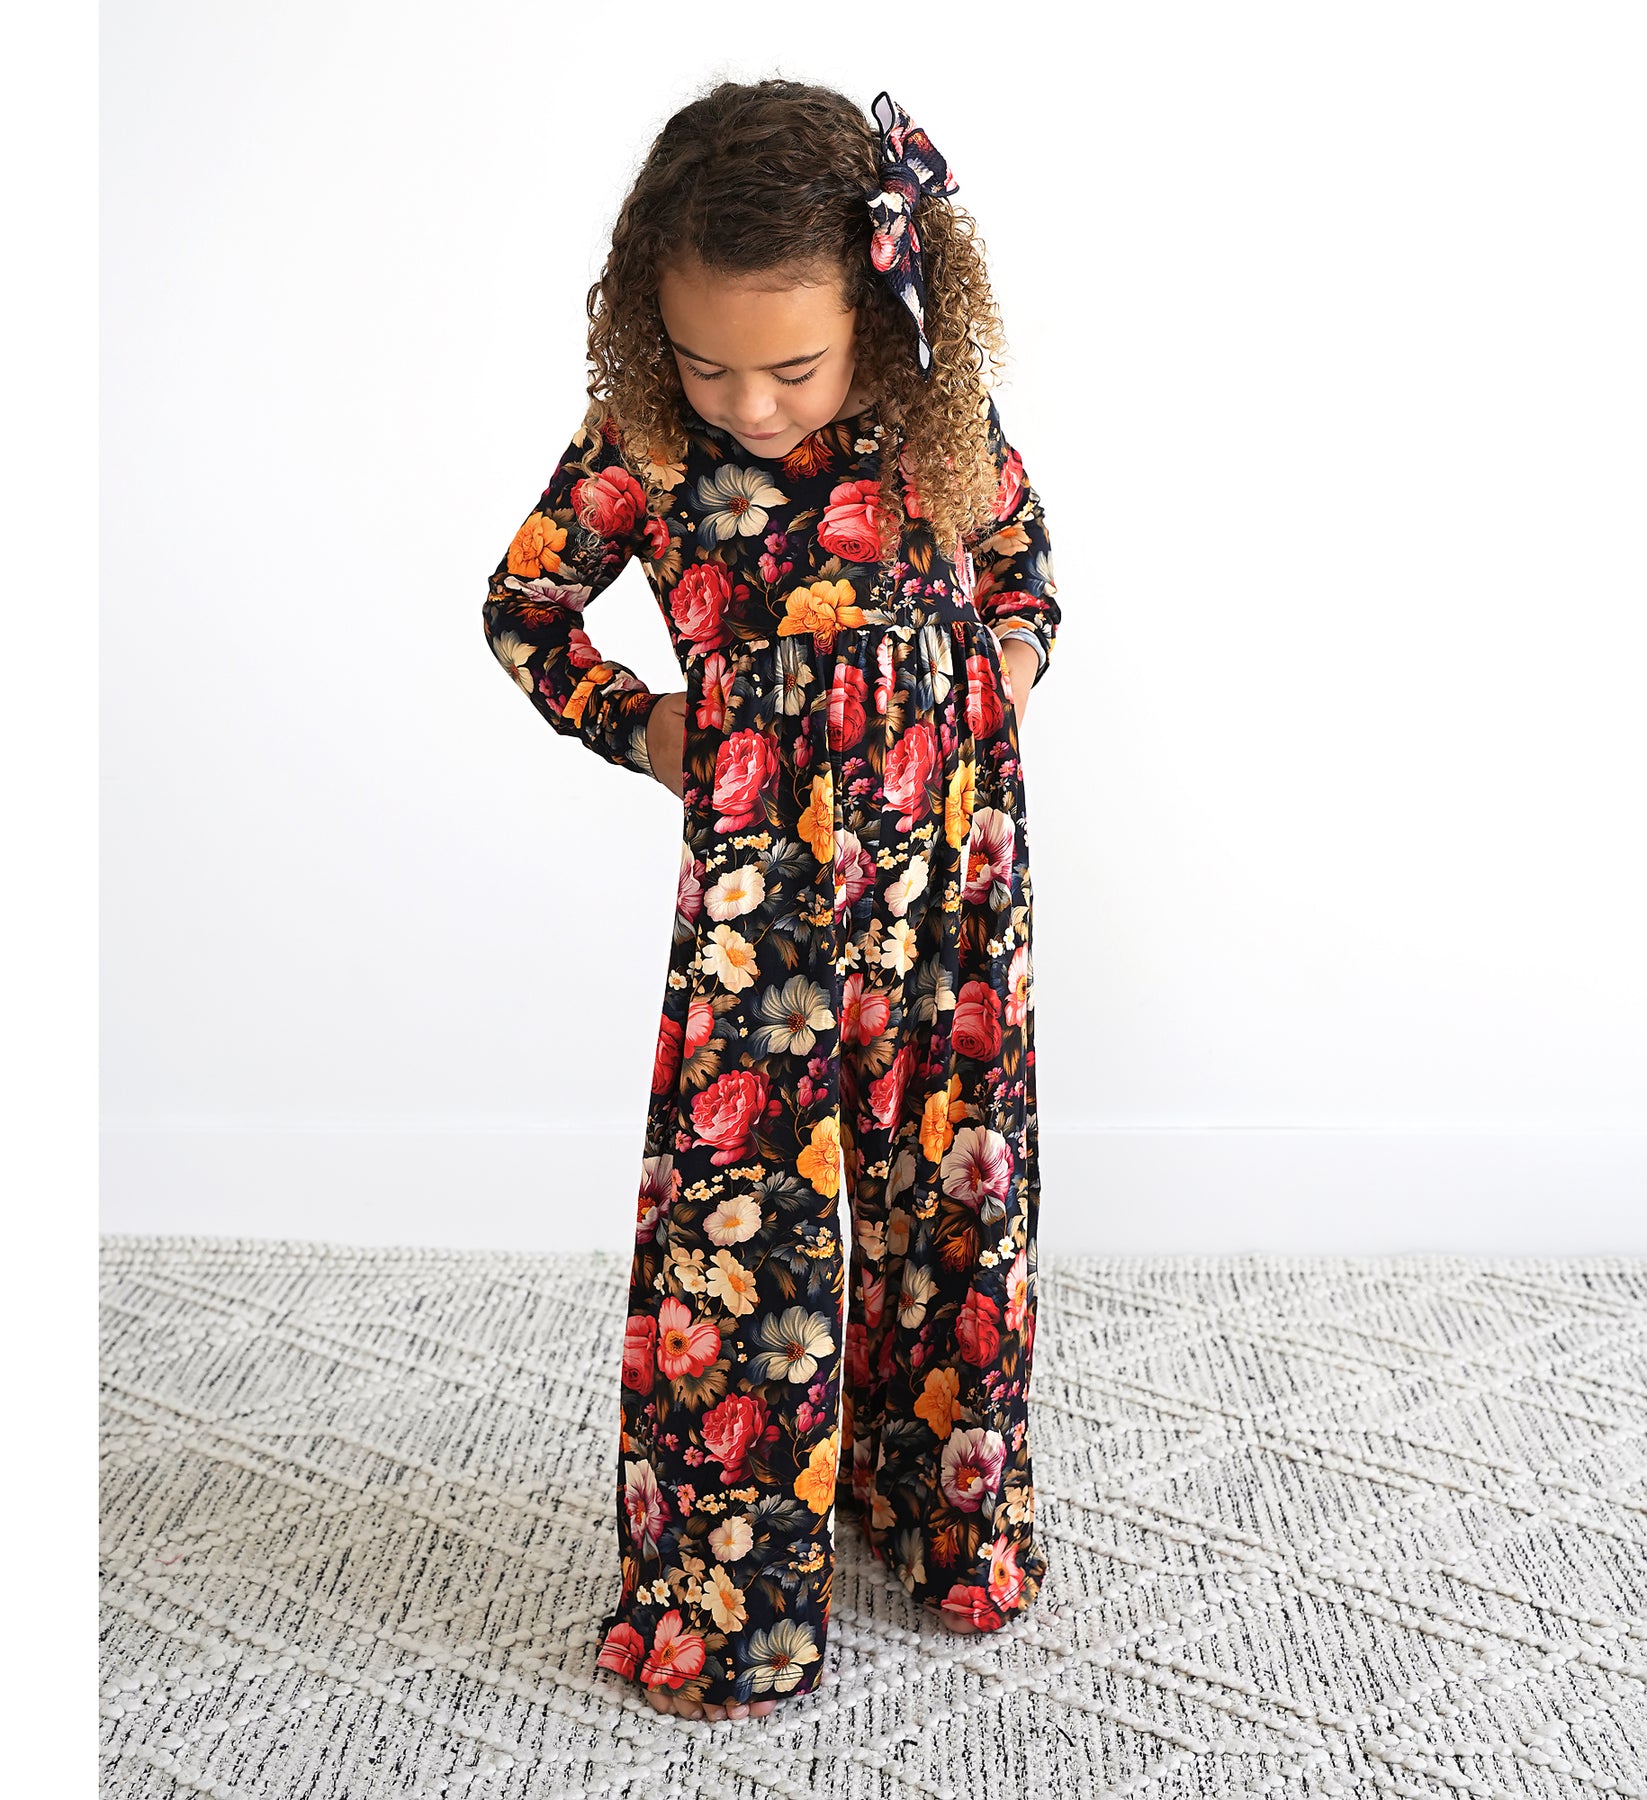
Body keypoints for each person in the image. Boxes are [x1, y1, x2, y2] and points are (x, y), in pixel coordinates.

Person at [481, 77, 1060, 1722]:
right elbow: (525, 609)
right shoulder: (642, 444)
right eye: (703, 361)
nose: (745, 403)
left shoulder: (932, 411)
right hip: (767, 900)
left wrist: (1002, 676)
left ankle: (937, 1524)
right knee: (751, 1245)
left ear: (874, 312)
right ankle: (730, 1610)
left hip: (957, 879)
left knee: (956, 1204)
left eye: (790, 370)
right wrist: (644, 723)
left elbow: (1024, 562)